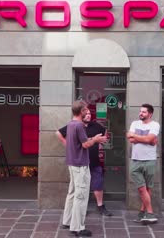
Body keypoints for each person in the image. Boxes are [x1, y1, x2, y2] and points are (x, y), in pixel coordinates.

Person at [61, 100, 108, 237]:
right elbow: (86, 144)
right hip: (80, 165)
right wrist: (96, 140)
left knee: (72, 193)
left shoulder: (71, 124)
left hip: (72, 163)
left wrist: (92, 139)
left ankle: (68, 221)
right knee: (80, 196)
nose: (88, 112)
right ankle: (78, 228)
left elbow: (80, 142)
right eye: (86, 110)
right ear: (81, 111)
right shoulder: (79, 126)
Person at [56, 109, 113, 216]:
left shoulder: (96, 126)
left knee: (98, 184)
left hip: (94, 161)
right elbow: (58, 133)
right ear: (80, 115)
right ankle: (80, 209)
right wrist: (67, 144)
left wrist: (100, 144)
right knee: (79, 188)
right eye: (86, 114)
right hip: (80, 162)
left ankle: (100, 206)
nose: (88, 116)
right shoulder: (76, 126)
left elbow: (105, 135)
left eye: (89, 114)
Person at [127, 103, 160, 224]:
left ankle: (142, 213)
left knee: (147, 188)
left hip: (150, 160)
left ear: (150, 114)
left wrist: (137, 137)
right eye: (140, 111)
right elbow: (129, 137)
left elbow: (149, 139)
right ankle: (150, 213)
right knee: (141, 188)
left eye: (144, 112)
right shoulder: (135, 123)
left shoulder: (155, 124)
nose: (141, 113)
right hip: (136, 160)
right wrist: (147, 139)